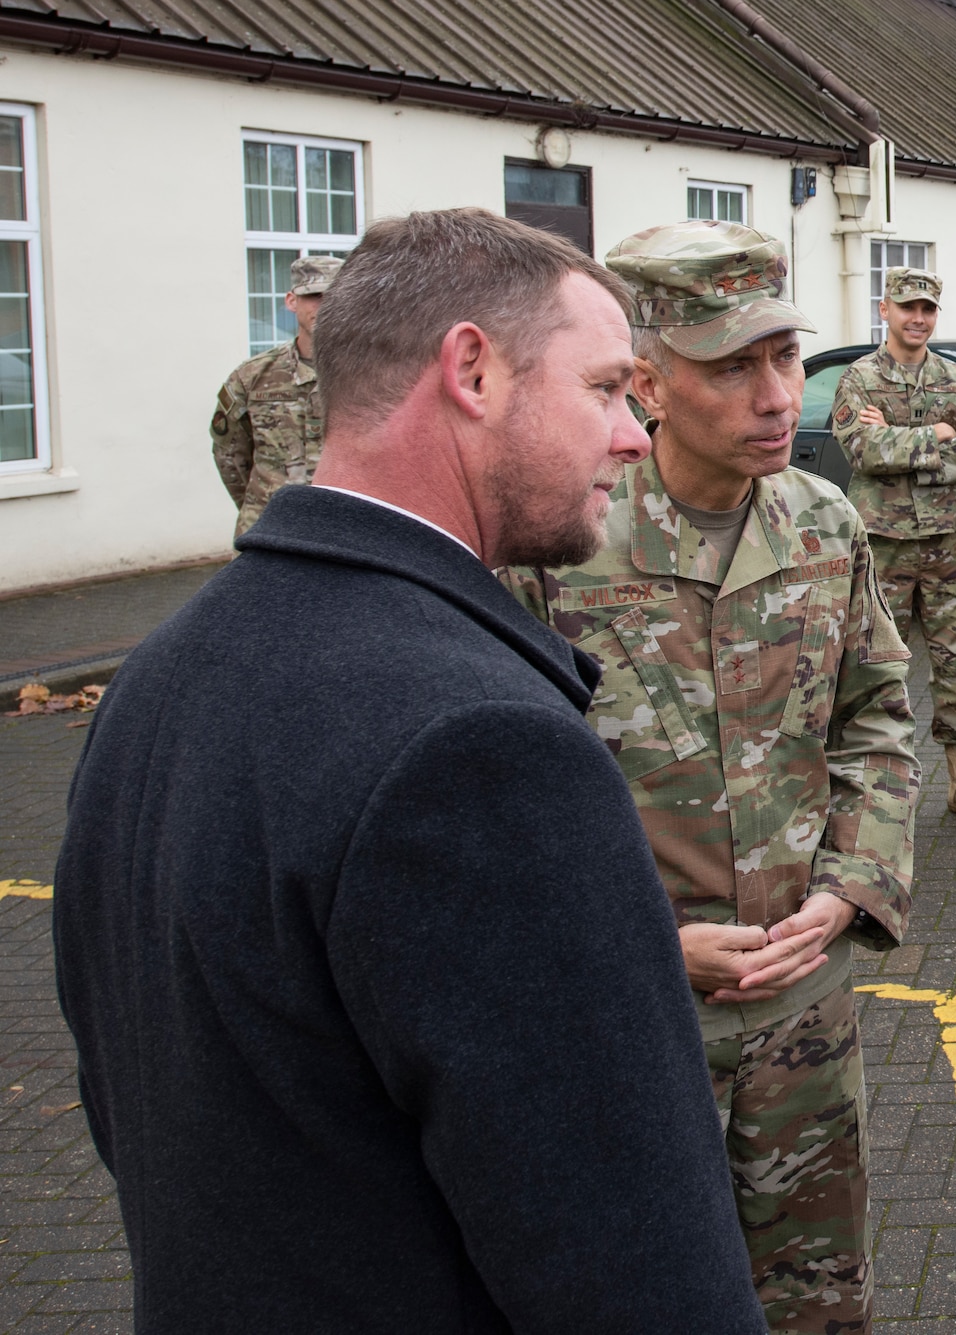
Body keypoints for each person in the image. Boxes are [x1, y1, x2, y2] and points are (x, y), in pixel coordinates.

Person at [53, 209, 762, 1331]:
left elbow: (121, 1101)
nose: (632, 435)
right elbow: (635, 1268)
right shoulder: (482, 746)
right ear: (471, 370)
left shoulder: (163, 673)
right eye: (603, 388)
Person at [501, 219, 918, 1335]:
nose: (777, 395)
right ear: (647, 380)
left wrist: (848, 890)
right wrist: (633, 939)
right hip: (632, 1007)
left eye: (783, 356)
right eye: (731, 366)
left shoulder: (824, 524)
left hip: (802, 1005)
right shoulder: (561, 547)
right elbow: (496, 802)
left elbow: (875, 718)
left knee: (819, 1297)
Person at [831, 265, 956, 826]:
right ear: (886, 310)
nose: (919, 318)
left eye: (928, 309)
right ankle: (876, 786)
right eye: (908, 308)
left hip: (948, 540)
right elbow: (863, 451)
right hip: (882, 543)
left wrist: (904, 449)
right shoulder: (857, 379)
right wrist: (937, 434)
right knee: (878, 662)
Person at [210, 254, 341, 535]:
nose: (324, 305)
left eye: (334, 296)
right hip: (269, 530)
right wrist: (262, 499)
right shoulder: (254, 376)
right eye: (314, 295)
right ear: (292, 301)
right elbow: (230, 454)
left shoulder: (369, 377)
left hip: (341, 531)